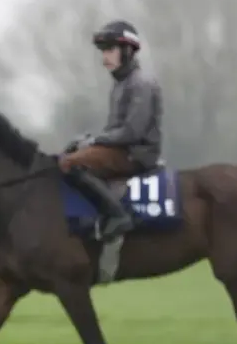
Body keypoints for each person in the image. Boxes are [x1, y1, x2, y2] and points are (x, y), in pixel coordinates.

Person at [59, 20, 163, 240]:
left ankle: (117, 215)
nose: (104, 57)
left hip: (136, 155)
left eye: (110, 50)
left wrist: (93, 141)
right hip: (122, 150)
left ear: (127, 51)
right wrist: (88, 141)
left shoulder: (141, 83)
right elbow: (114, 131)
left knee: (71, 164)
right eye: (103, 51)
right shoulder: (121, 83)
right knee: (65, 156)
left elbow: (132, 133)